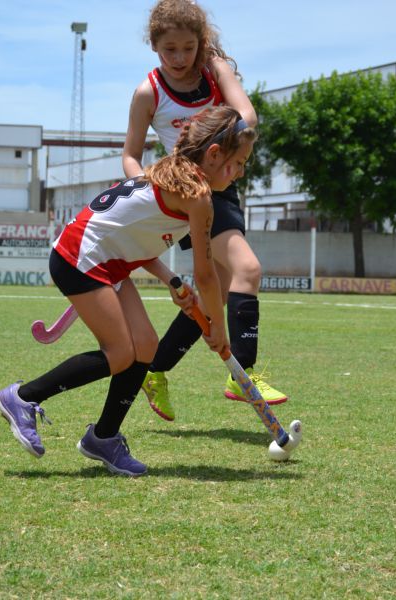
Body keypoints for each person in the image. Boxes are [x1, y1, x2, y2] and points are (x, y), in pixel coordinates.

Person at [0, 106, 252, 476]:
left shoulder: (172, 175)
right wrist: (217, 327)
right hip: (79, 257)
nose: (241, 172)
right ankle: (22, 398)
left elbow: (136, 238)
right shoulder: (198, 196)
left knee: (145, 347)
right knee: (119, 353)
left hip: (109, 259)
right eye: (238, 162)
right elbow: (208, 276)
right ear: (213, 155)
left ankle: (103, 438)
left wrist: (170, 280)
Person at [122, 0, 286, 423]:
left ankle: (154, 371)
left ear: (201, 43)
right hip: (188, 195)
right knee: (248, 270)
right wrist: (143, 183)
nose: (179, 59)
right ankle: (243, 375)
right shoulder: (148, 93)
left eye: (188, 48)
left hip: (223, 188)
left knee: (214, 301)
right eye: (169, 49)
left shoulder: (214, 70)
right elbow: (130, 155)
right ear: (154, 46)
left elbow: (247, 116)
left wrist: (216, 124)